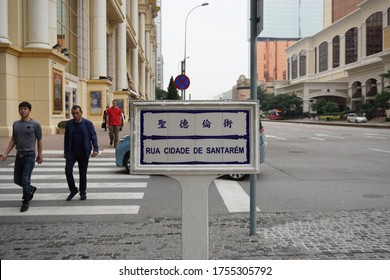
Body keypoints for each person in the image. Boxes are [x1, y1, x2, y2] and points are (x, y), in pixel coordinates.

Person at [0, 101, 43, 212]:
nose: (23, 111)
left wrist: (40, 155)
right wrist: (6, 153)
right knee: (17, 179)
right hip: (19, 155)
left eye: (25, 109)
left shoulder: (35, 124)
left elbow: (40, 140)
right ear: (19, 110)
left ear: (29, 110)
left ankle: (25, 201)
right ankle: (30, 189)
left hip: (30, 155)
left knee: (25, 179)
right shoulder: (16, 124)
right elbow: (13, 139)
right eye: (21, 109)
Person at [64, 105, 99, 201]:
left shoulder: (88, 123)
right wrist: (65, 151)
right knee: (67, 171)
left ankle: (83, 192)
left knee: (82, 173)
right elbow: (66, 139)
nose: (75, 115)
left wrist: (95, 149)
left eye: (77, 113)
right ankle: (73, 190)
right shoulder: (69, 124)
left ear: (81, 113)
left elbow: (93, 136)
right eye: (73, 114)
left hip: (84, 152)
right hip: (71, 152)